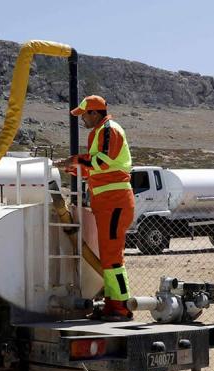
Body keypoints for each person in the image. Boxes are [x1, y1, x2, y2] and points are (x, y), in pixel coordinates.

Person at [60, 95, 135, 321]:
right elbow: (101, 168)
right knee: (109, 255)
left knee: (113, 257)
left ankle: (122, 306)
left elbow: (101, 160)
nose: (82, 119)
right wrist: (76, 169)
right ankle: (113, 303)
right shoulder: (101, 132)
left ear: (94, 113)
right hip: (108, 203)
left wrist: (76, 160)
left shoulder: (108, 130)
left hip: (115, 202)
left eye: (84, 114)